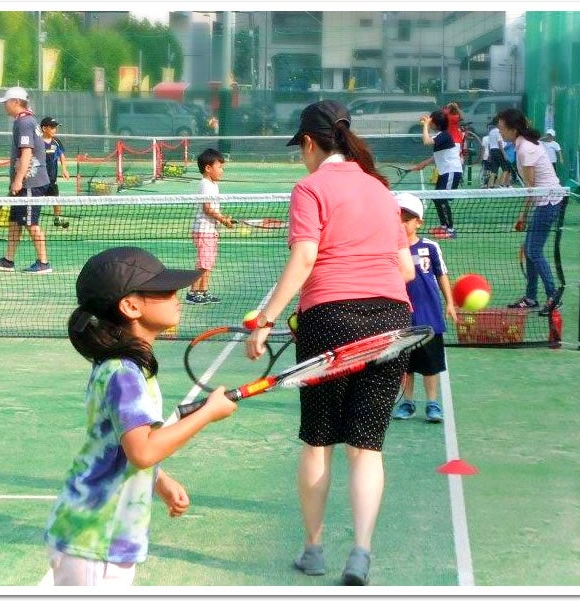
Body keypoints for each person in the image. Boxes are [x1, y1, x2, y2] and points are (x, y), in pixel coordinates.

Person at [245, 100, 416, 586]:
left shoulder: (310, 188)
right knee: (366, 447)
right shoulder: (381, 190)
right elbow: (405, 269)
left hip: (330, 319)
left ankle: (314, 550)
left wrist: (265, 319)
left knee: (319, 441)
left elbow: (305, 257)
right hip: (391, 319)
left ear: (308, 143)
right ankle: (361, 553)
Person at [41, 246, 237, 587]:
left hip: (100, 539)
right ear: (130, 306)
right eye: (164, 290)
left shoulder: (127, 367)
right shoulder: (124, 372)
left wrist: (160, 479)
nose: (176, 296)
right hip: (95, 541)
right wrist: (207, 413)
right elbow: (142, 450)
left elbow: (120, 443)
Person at [391, 194, 457, 423]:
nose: (402, 224)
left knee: (430, 365)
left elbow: (441, 274)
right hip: (401, 316)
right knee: (405, 364)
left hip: (429, 315)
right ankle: (407, 402)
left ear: (419, 222)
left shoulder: (430, 247)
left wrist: (450, 302)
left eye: (407, 220)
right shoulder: (389, 249)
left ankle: (432, 403)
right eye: (398, 219)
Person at [496, 107, 565, 317]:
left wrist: (523, 215)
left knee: (534, 251)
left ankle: (553, 297)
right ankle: (531, 297)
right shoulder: (523, 144)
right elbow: (533, 189)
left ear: (514, 129)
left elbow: (531, 188)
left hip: (549, 201)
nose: (500, 132)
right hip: (545, 200)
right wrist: (525, 215)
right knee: (529, 249)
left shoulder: (526, 149)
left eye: (502, 128)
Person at [0, 87, 52, 274]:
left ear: (15, 102)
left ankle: (43, 263)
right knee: (15, 222)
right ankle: (8, 260)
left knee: (31, 223)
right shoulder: (25, 120)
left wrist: (18, 181)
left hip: (31, 183)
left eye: (6, 102)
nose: (4, 106)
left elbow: (27, 153)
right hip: (25, 182)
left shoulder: (24, 122)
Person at [186, 148, 233, 305]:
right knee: (203, 263)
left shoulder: (213, 184)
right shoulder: (205, 184)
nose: (222, 171)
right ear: (208, 168)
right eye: (219, 167)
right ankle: (193, 293)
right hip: (203, 230)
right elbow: (207, 208)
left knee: (208, 262)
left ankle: (203, 291)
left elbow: (212, 208)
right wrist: (223, 219)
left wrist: (222, 218)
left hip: (210, 230)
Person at [407, 109, 462, 239]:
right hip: (444, 172)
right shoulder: (441, 136)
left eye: (431, 121)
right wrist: (424, 163)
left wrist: (425, 125)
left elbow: (426, 141)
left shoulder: (444, 135)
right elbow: (438, 155)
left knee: (442, 199)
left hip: (451, 171)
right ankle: (443, 226)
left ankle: (450, 230)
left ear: (436, 124)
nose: (429, 122)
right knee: (436, 197)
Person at [40, 116, 71, 229]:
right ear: (44, 128)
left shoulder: (56, 141)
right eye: (52, 127)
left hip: (52, 179)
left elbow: (61, 155)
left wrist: (64, 169)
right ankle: (30, 219)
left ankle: (57, 218)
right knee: (34, 201)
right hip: (39, 179)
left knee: (56, 199)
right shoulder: (37, 141)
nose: (55, 130)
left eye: (55, 127)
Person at [486, 120, 506, 187]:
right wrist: (504, 154)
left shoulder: (491, 132)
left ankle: (491, 185)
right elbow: (499, 143)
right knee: (505, 169)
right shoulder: (498, 131)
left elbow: (489, 144)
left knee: (494, 170)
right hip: (498, 151)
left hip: (492, 151)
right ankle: (501, 184)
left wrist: (489, 154)